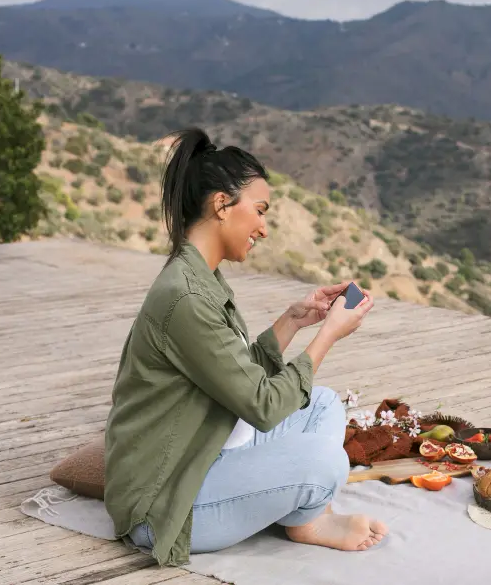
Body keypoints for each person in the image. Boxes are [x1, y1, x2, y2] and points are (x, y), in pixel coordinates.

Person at [103, 127, 387, 567]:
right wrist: (327, 335)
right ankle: (308, 517)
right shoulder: (187, 297)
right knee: (324, 461)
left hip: (211, 448)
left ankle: (305, 515)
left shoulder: (200, 277)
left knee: (324, 404)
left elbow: (231, 375)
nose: (264, 228)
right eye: (259, 210)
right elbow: (262, 404)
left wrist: (294, 320)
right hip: (167, 501)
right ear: (221, 205)